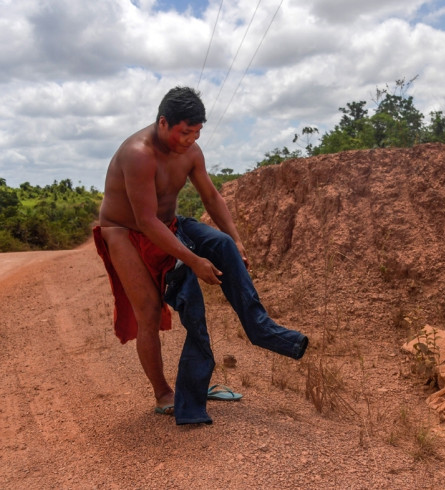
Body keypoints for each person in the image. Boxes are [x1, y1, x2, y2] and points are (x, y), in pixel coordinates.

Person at [94, 86, 308, 424]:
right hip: (125, 231)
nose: (190, 139)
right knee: (149, 310)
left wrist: (235, 239)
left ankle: (261, 331)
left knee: (222, 246)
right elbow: (145, 221)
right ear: (163, 123)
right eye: (184, 131)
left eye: (197, 132)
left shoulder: (192, 151)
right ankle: (165, 393)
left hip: (168, 224)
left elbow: (211, 197)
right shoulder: (139, 154)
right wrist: (193, 261)